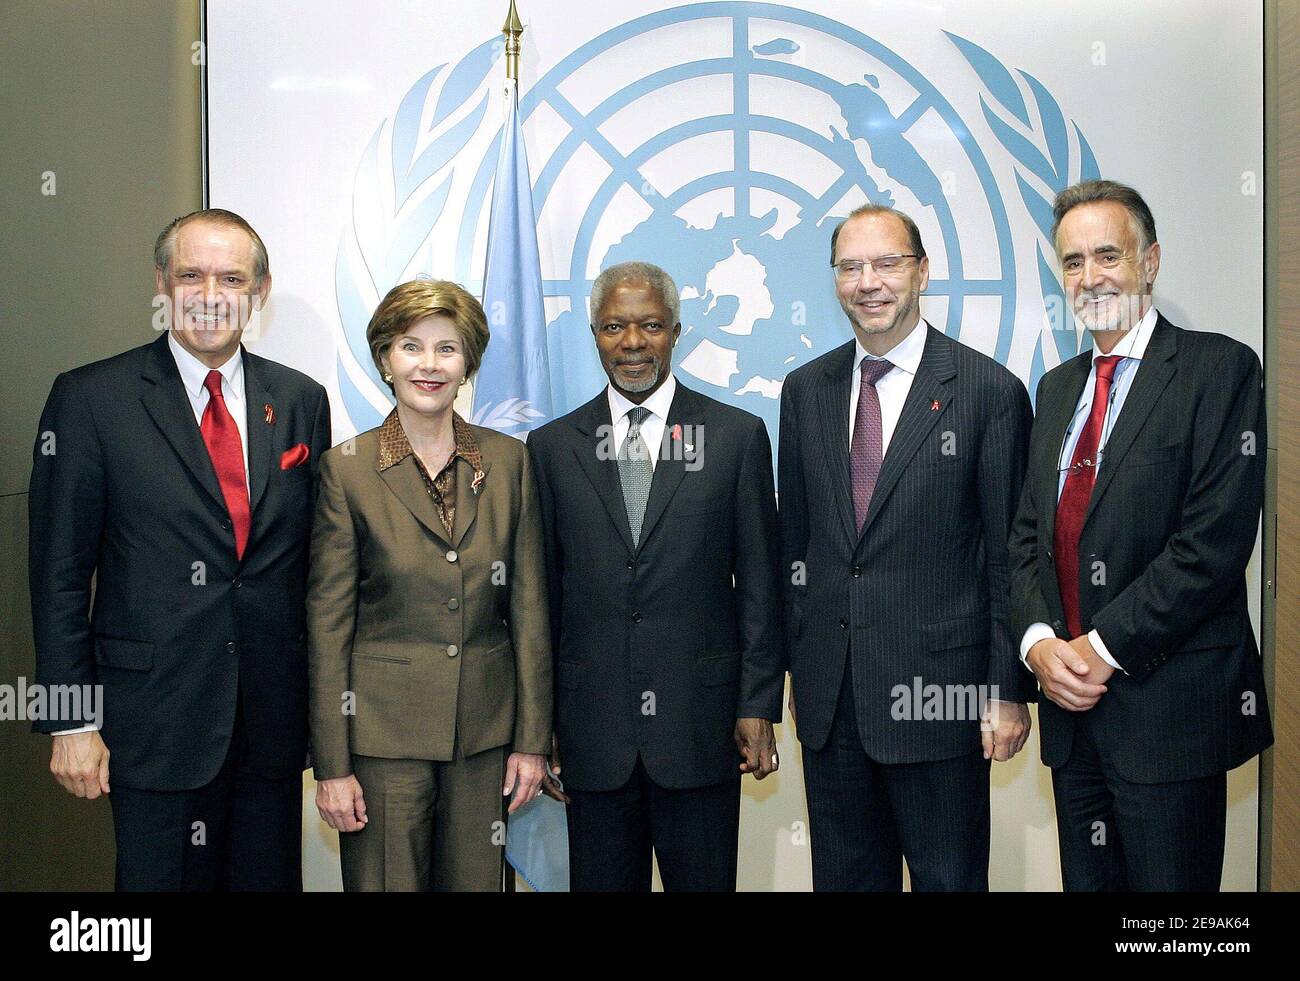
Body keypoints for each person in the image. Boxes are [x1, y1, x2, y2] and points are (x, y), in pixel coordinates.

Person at [28, 208, 331, 890]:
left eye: (231, 276)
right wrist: (70, 716)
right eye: (191, 274)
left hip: (270, 729)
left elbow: (311, 572)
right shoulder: (90, 399)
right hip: (151, 724)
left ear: (260, 291)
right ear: (161, 282)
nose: (211, 293)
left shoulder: (301, 400)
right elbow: (59, 574)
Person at [1009, 179, 1272, 891]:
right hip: (1072, 715)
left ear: (1150, 262)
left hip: (1169, 715)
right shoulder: (1057, 389)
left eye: (1107, 255)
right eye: (1071, 262)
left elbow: (1211, 546)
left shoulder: (1219, 370)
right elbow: (1028, 536)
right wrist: (1039, 646)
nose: (1089, 277)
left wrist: (1096, 650)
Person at [778, 204, 1034, 891]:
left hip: (942, 702)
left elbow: (1011, 559)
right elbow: (796, 546)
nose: (869, 281)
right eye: (851, 266)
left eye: (887, 262)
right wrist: (803, 667)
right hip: (834, 707)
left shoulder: (989, 394)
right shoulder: (805, 391)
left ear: (921, 270)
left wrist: (1008, 692)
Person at [528, 261, 783, 892]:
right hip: (592, 735)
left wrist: (757, 704)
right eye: (614, 326)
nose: (632, 343)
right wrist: (542, 721)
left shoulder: (735, 438)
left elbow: (760, 587)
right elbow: (543, 598)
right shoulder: (552, 447)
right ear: (594, 333)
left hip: (701, 729)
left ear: (676, 331)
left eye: (650, 326)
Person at [307, 278, 551, 892]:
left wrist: (531, 741)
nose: (429, 365)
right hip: (382, 740)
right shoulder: (348, 469)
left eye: (447, 348)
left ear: (468, 361)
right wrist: (331, 765)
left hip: (485, 739)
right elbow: (328, 626)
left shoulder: (510, 462)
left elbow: (528, 609)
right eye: (411, 347)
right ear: (386, 358)